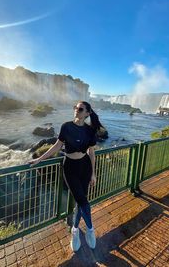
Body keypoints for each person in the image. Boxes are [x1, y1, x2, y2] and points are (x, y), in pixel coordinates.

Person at [29, 101, 104, 252]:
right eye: (75, 108)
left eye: (80, 109)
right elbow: (57, 146)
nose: (77, 110)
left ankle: (75, 231)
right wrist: (39, 159)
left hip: (85, 167)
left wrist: (93, 173)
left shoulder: (90, 131)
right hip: (69, 167)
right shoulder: (66, 126)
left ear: (87, 113)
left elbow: (91, 152)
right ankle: (90, 229)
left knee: (80, 203)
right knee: (82, 200)